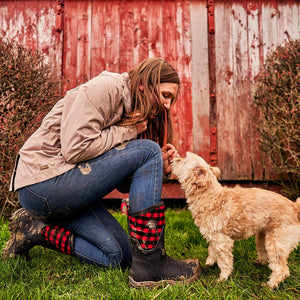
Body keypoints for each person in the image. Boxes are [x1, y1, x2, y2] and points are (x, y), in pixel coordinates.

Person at [2, 58, 200, 288]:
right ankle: (150, 264)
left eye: (171, 100)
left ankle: (37, 229)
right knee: (148, 150)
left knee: (119, 256)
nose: (167, 105)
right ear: (145, 84)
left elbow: (124, 185)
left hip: (70, 189)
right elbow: (75, 149)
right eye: (166, 95)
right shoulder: (107, 88)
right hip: (43, 185)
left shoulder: (134, 112)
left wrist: (160, 168)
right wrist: (129, 133)